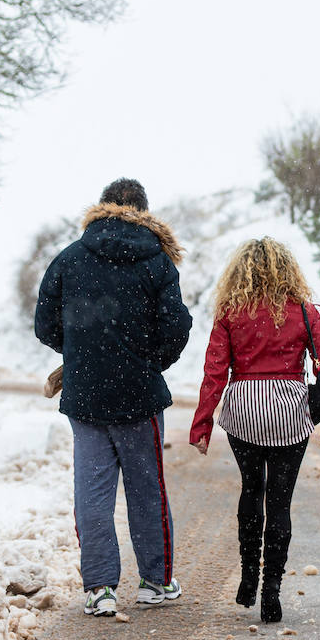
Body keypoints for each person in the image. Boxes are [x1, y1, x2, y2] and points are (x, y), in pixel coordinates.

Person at [34, 178, 193, 615]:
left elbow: (45, 324)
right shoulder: (157, 262)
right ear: (144, 211)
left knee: (93, 492)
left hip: (85, 396)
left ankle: (100, 589)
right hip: (139, 394)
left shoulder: (69, 258)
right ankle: (155, 583)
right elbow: (176, 327)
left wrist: (82, 354)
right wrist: (149, 360)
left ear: (101, 207)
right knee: (146, 491)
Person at [189, 238, 320, 623]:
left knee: (251, 489)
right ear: (287, 271)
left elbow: (214, 372)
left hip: (244, 406)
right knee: (280, 501)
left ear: (239, 272)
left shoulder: (230, 312)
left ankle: (247, 577)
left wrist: (203, 422)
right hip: (290, 410)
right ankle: (271, 589)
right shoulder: (305, 312)